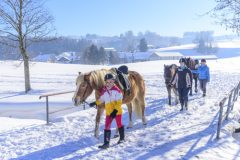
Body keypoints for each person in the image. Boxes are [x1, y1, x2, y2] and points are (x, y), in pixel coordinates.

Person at [89, 73, 124, 149]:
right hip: (108, 112)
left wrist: (115, 111)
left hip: (117, 112)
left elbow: (119, 103)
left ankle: (122, 138)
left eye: (110, 82)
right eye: (107, 82)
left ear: (113, 81)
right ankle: (106, 143)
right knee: (107, 127)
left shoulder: (117, 91)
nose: (108, 84)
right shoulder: (104, 90)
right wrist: (95, 102)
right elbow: (102, 99)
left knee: (119, 124)